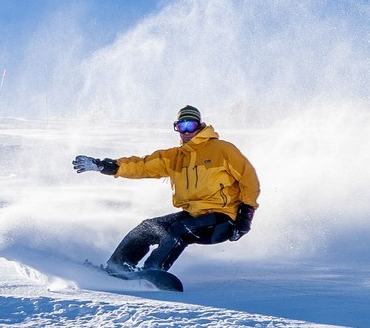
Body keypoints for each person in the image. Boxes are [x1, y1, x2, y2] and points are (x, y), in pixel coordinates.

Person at [72, 105, 260, 277]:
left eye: (191, 125)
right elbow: (142, 166)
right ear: (176, 128)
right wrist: (105, 166)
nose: (186, 132)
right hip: (193, 216)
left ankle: (152, 272)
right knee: (147, 227)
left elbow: (248, 179)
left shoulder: (222, 150)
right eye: (181, 126)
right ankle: (116, 267)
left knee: (180, 229)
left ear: (200, 126)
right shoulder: (175, 157)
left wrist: (246, 216)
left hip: (223, 219)